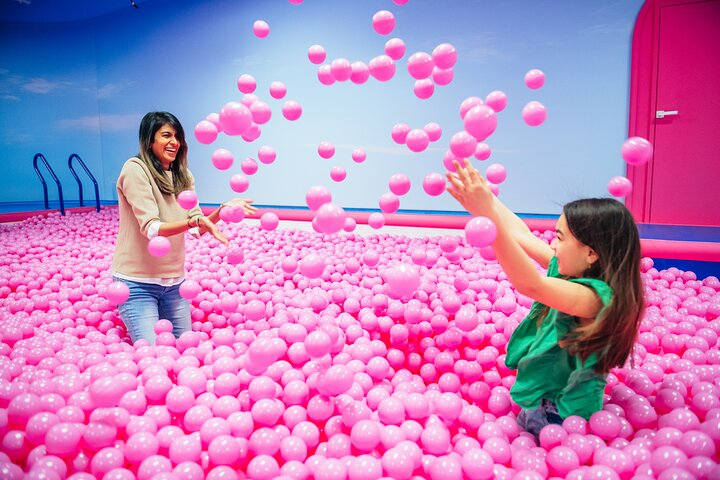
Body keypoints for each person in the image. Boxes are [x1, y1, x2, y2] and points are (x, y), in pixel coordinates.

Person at [447, 159, 644, 437]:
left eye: (560, 238)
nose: (552, 244)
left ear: (591, 254)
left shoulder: (596, 298)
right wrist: (486, 199)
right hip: (536, 405)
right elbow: (521, 234)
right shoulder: (569, 271)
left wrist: (488, 219)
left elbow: (531, 284)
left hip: (562, 418)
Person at [111, 111, 257, 344]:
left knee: (186, 350)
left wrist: (223, 209)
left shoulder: (183, 176)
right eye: (166, 135)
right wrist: (194, 222)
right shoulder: (135, 169)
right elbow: (152, 228)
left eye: (178, 136)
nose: (174, 142)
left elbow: (195, 225)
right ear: (149, 140)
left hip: (174, 284)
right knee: (154, 356)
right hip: (137, 283)